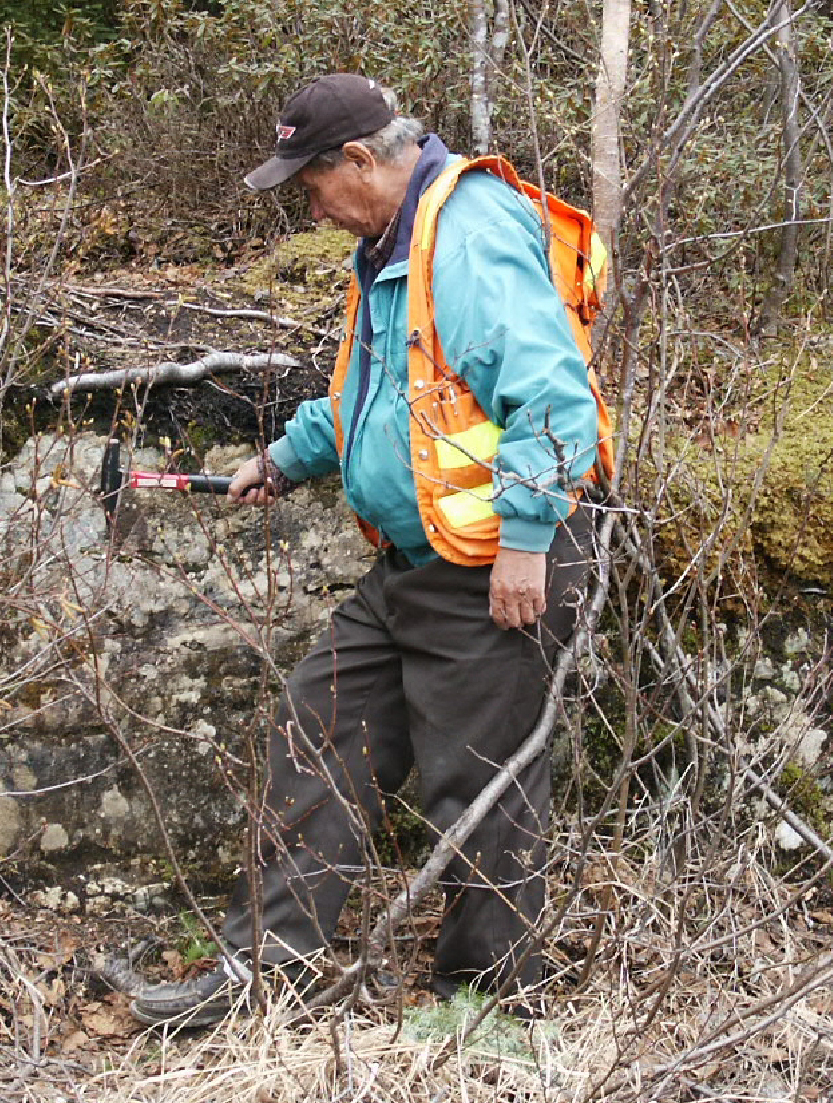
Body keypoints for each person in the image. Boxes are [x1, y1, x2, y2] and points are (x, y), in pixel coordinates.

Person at [130, 72, 605, 1027]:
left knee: (484, 783)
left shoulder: (464, 234)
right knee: (315, 731)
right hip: (414, 563)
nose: (312, 207)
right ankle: (260, 975)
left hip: (493, 562)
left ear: (359, 160)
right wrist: (289, 454)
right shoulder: (392, 244)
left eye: (311, 186)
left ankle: (485, 1013)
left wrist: (524, 540)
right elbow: (384, 393)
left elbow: (553, 396)